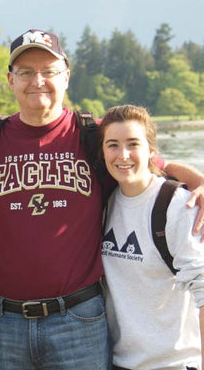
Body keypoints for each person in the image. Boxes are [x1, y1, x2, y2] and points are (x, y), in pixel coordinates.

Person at [0, 28, 204, 369]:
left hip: (78, 321)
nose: (38, 81)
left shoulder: (94, 134)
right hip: (1, 322)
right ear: (11, 80)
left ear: (66, 76)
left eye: (49, 71)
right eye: (26, 72)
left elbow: (152, 164)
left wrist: (199, 181)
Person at [99, 104, 204, 370]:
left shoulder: (177, 204)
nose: (123, 155)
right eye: (113, 145)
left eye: (133, 144)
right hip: (119, 363)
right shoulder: (105, 202)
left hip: (175, 363)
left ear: (152, 152)